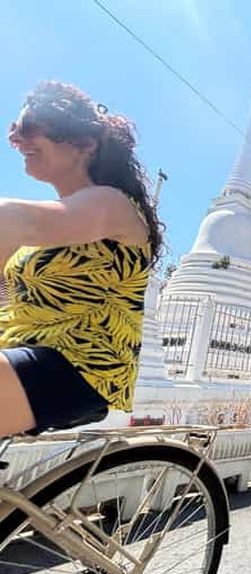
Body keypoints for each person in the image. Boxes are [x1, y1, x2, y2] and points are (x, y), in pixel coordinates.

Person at [0, 81, 161, 437]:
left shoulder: (112, 204)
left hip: (76, 365)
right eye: (15, 130)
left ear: (85, 143)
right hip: (17, 352)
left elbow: (8, 217)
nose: (18, 140)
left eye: (29, 128)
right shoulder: (36, 238)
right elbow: (5, 297)